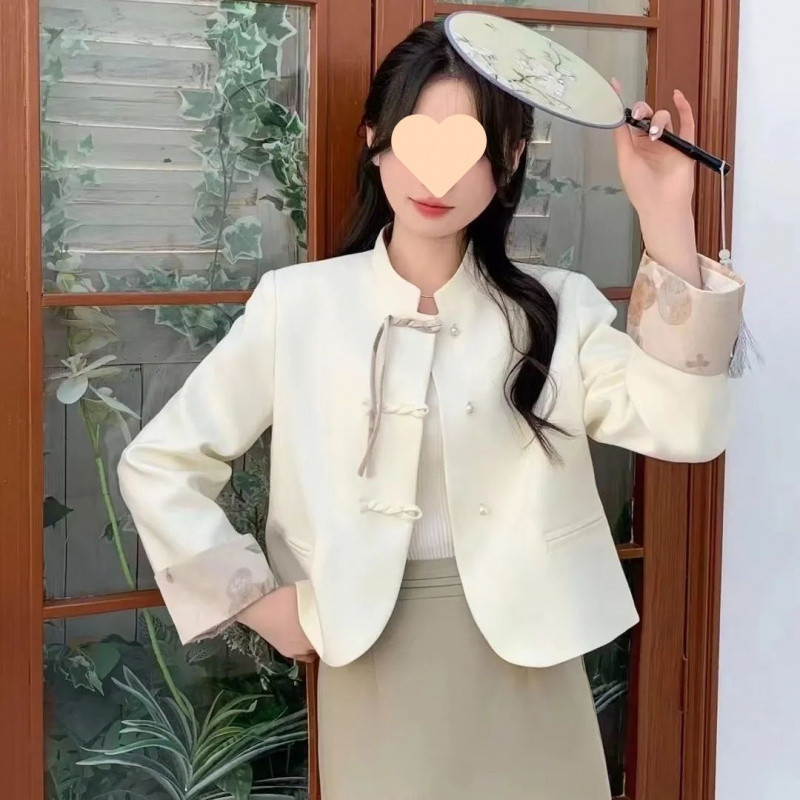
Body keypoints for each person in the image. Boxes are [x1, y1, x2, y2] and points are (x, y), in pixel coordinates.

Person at [116, 19, 745, 800]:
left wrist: (666, 219)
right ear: (374, 141)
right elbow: (159, 464)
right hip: (370, 650)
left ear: (509, 160)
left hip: (535, 656)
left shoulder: (557, 309)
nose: (436, 176)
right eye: (415, 139)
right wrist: (253, 600)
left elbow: (686, 429)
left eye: (470, 148)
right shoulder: (298, 306)